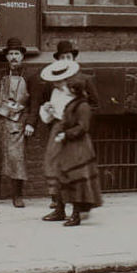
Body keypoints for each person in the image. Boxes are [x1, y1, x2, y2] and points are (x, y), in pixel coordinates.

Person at [36, 41, 98, 222]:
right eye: (62, 57)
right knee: (55, 169)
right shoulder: (53, 87)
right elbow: (47, 106)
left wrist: (78, 122)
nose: (65, 61)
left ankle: (77, 212)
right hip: (57, 131)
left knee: (73, 172)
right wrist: (48, 113)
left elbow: (92, 106)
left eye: (68, 57)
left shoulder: (81, 84)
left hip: (74, 132)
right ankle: (59, 208)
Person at [0, 36, 34, 207]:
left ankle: (17, 196)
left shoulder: (30, 77)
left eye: (16, 54)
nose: (13, 57)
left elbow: (35, 103)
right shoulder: (0, 76)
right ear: (6, 57)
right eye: (10, 54)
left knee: (16, 158)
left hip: (17, 125)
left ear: (22, 56)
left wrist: (31, 123)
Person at [51, 76, 102, 227]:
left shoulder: (82, 106)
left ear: (73, 90)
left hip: (79, 148)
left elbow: (83, 127)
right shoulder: (73, 103)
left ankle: (76, 214)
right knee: (62, 176)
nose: (64, 88)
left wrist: (66, 134)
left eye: (67, 87)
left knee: (77, 179)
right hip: (69, 146)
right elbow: (66, 120)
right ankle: (60, 210)